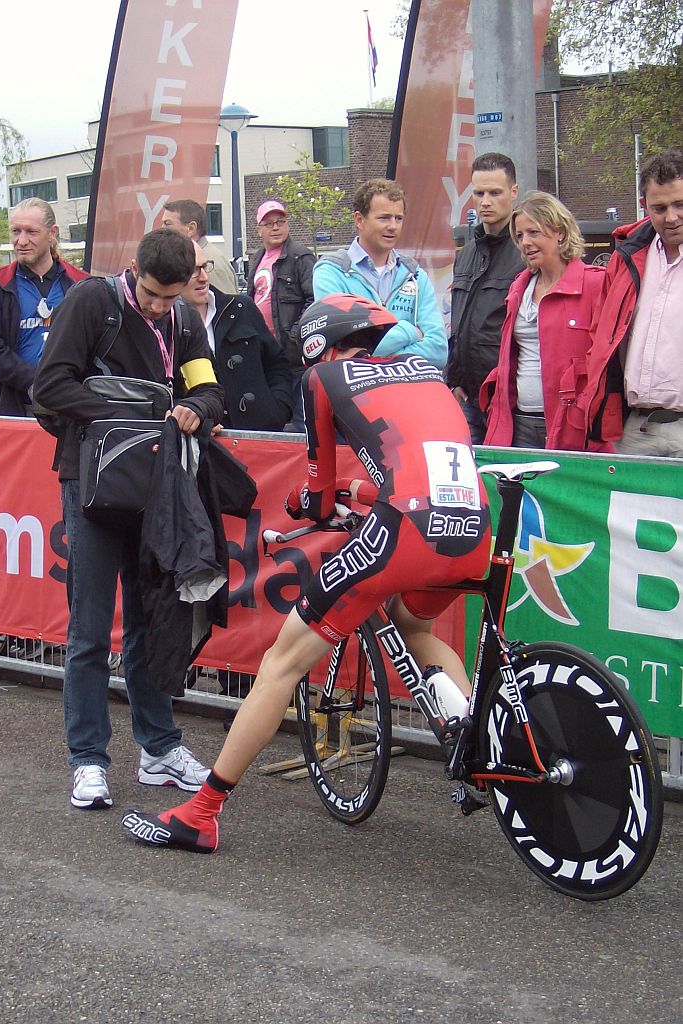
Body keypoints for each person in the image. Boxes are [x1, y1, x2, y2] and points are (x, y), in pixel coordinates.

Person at [121, 293, 491, 853]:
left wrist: (310, 499)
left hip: (405, 534)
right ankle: (474, 746)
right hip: (471, 527)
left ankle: (201, 814)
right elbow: (410, 469)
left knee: (280, 665)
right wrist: (356, 492)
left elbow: (317, 500)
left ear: (319, 346)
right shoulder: (427, 375)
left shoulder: (324, 379)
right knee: (416, 630)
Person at [33, 229, 225, 810]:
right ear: (133, 269)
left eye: (170, 297)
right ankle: (88, 760)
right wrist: (132, 409)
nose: (158, 307)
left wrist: (195, 407)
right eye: (151, 294)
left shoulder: (185, 320)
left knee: (153, 623)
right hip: (89, 488)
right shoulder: (93, 302)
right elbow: (50, 386)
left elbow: (212, 390)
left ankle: (158, 749)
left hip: (157, 493)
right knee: (89, 631)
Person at [480, 191, 606, 450]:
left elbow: (605, 360)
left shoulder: (595, 283)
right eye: (520, 236)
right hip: (518, 421)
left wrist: (584, 408)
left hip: (572, 425)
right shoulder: (519, 287)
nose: (525, 242)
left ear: (559, 232)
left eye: (534, 232)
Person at [584, 150, 683, 457]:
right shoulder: (626, 257)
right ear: (644, 206)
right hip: (635, 428)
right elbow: (600, 336)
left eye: (680, 204)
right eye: (660, 207)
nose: (671, 217)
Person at [0, 198, 89, 416]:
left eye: (31, 232)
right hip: (17, 406)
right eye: (16, 231)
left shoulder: (81, 284)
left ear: (52, 233)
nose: (21, 241)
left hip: (72, 409)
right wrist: (31, 380)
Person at [313, 178, 447, 370]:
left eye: (398, 218)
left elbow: (439, 352)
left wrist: (376, 357)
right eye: (384, 218)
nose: (393, 226)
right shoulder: (331, 273)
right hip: (358, 395)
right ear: (359, 220)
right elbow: (344, 353)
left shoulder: (416, 275)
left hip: (409, 394)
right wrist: (409, 331)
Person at [446, 153, 524, 444]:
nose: (485, 201)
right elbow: (459, 322)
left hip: (508, 399)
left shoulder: (525, 252)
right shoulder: (466, 254)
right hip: (467, 396)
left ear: (514, 192)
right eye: (479, 193)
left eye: (495, 192)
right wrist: (453, 380)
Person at [180, 239, 293, 431]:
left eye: (206, 267)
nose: (204, 277)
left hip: (261, 437)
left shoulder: (241, 308)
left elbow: (277, 364)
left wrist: (278, 410)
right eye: (193, 270)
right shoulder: (167, 325)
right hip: (208, 445)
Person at [246, 200, 316, 429]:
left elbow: (314, 300)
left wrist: (295, 337)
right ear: (259, 230)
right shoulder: (257, 258)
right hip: (266, 353)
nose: (275, 227)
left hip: (294, 356)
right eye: (269, 223)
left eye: (280, 222)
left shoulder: (300, 257)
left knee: (299, 420)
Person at [161, 198, 238, 295]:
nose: (162, 229)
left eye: (167, 224)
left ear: (191, 228)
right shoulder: (192, 257)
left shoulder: (210, 263)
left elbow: (225, 307)